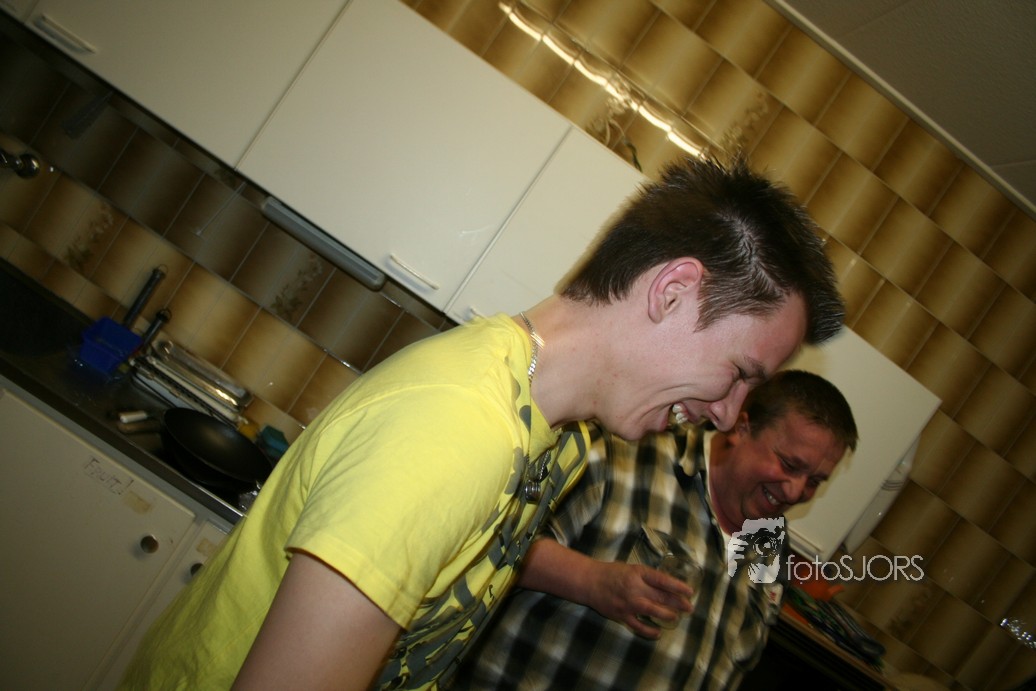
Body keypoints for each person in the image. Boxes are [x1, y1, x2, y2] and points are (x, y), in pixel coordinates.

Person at [119, 157, 844, 690]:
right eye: (740, 372)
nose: (727, 413)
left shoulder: (563, 434)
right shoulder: (458, 428)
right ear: (674, 291)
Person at [452, 369, 858, 690]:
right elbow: (495, 548)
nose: (796, 492)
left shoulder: (770, 546)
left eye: (815, 481)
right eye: (789, 465)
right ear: (742, 428)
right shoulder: (626, 452)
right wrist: (591, 580)